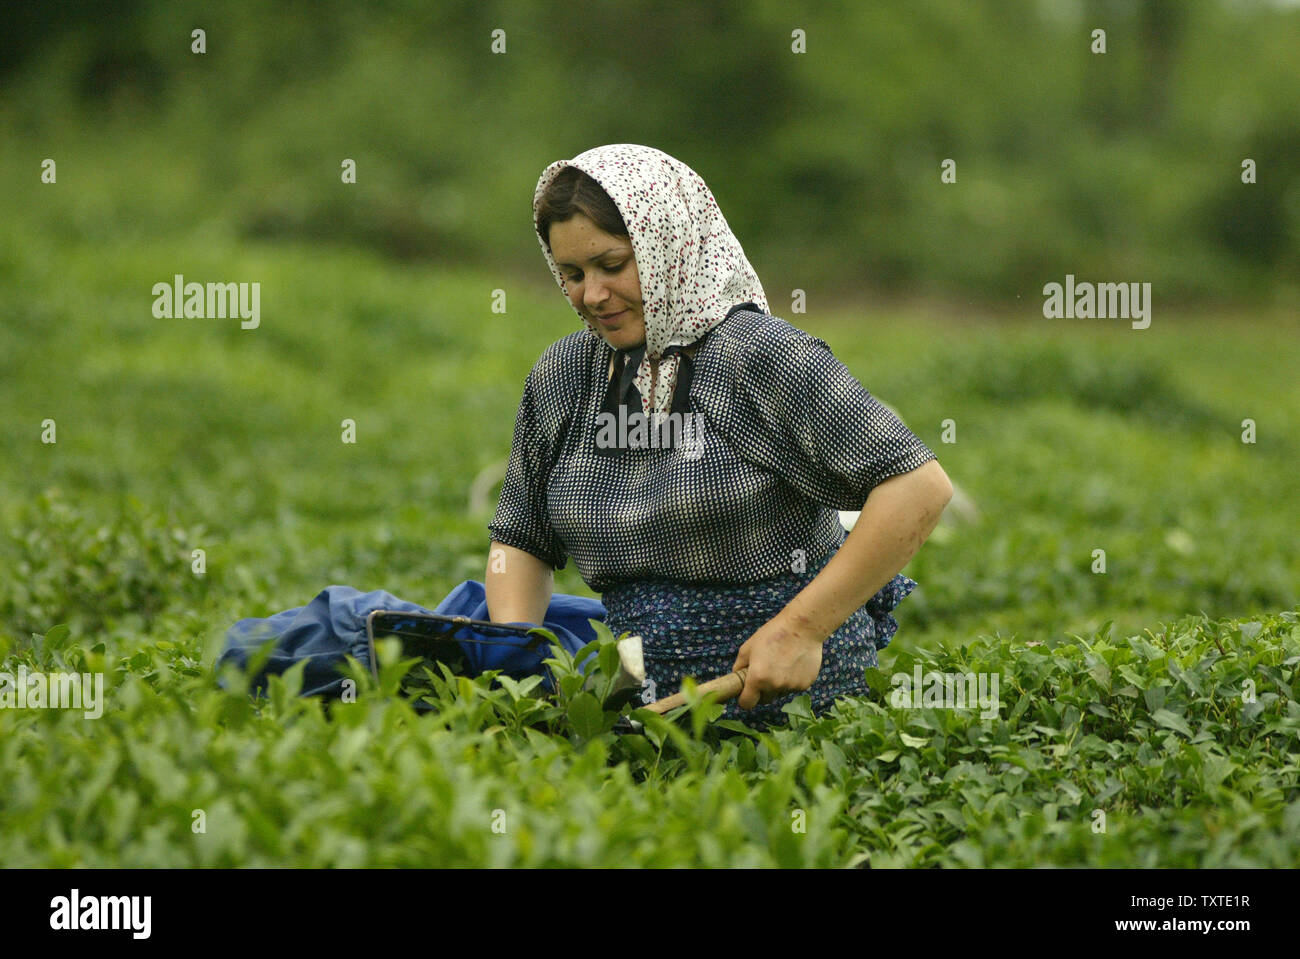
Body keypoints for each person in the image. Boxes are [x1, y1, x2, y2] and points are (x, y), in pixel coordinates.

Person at [485, 143, 953, 728]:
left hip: (796, 709)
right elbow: (522, 541)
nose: (592, 296)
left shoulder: (759, 355)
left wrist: (799, 629)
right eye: (572, 275)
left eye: (612, 266)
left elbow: (918, 488)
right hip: (646, 708)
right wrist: (519, 667)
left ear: (668, 248)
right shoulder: (564, 377)